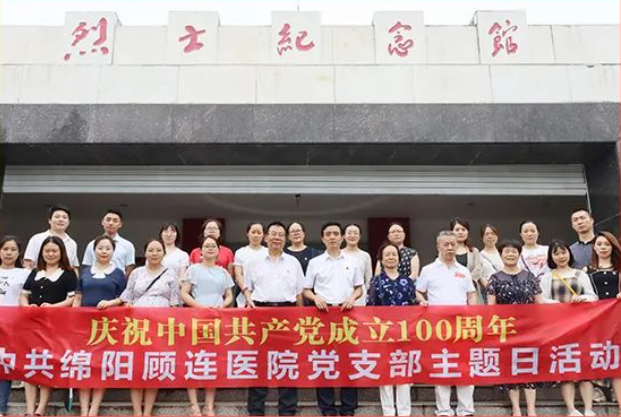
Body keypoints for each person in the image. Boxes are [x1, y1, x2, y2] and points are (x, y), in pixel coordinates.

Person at [243, 221, 305, 416]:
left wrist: (300, 318)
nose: (277, 238)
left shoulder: (293, 262)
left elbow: (299, 293)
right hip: (261, 313)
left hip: (287, 314)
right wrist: (248, 299)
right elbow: (247, 288)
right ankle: (256, 409)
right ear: (266, 237)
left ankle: (287, 409)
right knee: (260, 361)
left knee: (287, 361)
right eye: (273, 234)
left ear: (285, 239)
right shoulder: (253, 262)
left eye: (280, 235)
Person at [303, 222, 363, 417]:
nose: (332, 237)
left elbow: (359, 288)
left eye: (336, 233)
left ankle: (348, 407)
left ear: (342, 237)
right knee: (323, 359)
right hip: (323, 315)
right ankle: (327, 407)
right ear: (322, 238)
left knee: (348, 360)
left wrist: (352, 298)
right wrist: (315, 298)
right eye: (328, 234)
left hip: (347, 315)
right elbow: (306, 289)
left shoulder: (353, 261)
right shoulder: (315, 262)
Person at [416, 231, 477, 417]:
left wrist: (473, 311)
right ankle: (443, 410)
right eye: (446, 244)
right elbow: (419, 291)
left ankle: (466, 409)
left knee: (464, 366)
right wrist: (422, 301)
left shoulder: (463, 270)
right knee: (441, 365)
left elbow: (471, 293)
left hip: (462, 325)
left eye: (453, 244)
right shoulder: (428, 270)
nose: (450, 248)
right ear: (438, 246)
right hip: (438, 326)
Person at [119, 239, 180, 417]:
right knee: (137, 367)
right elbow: (127, 297)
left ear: (164, 253)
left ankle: (147, 411)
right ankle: (137, 411)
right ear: (145, 252)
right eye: (151, 250)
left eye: (158, 250)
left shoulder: (170, 274)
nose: (154, 253)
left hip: (160, 326)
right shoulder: (137, 273)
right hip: (137, 326)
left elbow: (175, 303)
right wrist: (127, 309)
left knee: (154, 366)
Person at [20, 236, 78, 417]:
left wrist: (53, 307)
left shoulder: (68, 273)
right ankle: (29, 409)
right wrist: (26, 306)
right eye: (47, 251)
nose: (50, 254)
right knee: (29, 365)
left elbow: (72, 299)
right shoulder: (35, 272)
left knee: (46, 364)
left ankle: (41, 408)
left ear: (61, 253)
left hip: (55, 326)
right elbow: (24, 294)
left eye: (54, 251)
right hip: (32, 325)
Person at [487, 239, 544, 417]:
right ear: (501, 255)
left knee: (529, 366)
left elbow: (540, 303)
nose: (510, 254)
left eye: (514, 251)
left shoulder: (530, 277)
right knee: (510, 368)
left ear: (519, 254)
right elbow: (491, 307)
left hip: (529, 329)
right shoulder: (495, 279)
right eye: (506, 251)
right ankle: (516, 408)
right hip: (507, 330)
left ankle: (531, 409)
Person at [540, 240, 597, 417]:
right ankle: (571, 408)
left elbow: (593, 296)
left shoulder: (581, 274)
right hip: (559, 328)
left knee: (585, 367)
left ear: (569, 254)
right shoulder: (547, 277)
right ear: (551, 257)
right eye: (556, 253)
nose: (561, 256)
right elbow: (541, 300)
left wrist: (583, 298)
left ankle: (588, 408)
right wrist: (557, 304)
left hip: (581, 327)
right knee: (565, 367)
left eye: (563, 252)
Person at [181, 235, 234, 417]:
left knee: (213, 361)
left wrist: (223, 306)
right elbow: (184, 293)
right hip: (196, 319)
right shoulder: (193, 270)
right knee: (193, 360)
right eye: (206, 246)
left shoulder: (223, 272)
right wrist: (200, 307)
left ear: (219, 251)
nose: (210, 248)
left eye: (213, 246)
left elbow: (229, 295)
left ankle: (209, 405)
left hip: (217, 319)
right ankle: (194, 404)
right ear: (200, 251)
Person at [73, 235, 126, 416]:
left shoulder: (119, 274)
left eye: (108, 248)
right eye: (100, 248)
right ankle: (84, 409)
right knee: (84, 365)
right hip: (84, 326)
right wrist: (73, 318)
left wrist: (110, 303)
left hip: (107, 328)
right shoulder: (85, 272)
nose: (104, 251)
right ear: (94, 250)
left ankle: (94, 409)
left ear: (113, 252)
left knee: (102, 366)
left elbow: (124, 299)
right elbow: (78, 297)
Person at [367, 242, 415, 417]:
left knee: (403, 372)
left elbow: (413, 306)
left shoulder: (407, 281)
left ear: (399, 258)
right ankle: (388, 411)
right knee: (385, 372)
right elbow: (371, 307)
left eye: (394, 254)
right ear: (381, 259)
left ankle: (404, 412)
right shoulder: (376, 281)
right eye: (387, 254)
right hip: (383, 333)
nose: (391, 257)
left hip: (404, 333)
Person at [587, 231, 621, 411]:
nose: (603, 247)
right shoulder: (587, 270)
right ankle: (600, 388)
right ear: (594, 247)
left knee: (617, 353)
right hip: (598, 318)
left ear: (613, 247)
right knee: (599, 351)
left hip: (618, 316)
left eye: (607, 244)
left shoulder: (619, 268)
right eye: (599, 244)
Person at [0, 236, 29, 417]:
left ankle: (1, 407)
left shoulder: (24, 273)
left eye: (13, 250)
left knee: (4, 366)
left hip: (12, 326)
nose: (9, 253)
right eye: (5, 249)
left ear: (19, 253)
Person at [23, 204, 79, 270]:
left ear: (69, 222)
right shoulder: (37, 239)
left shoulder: (72, 243)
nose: (61, 220)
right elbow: (28, 263)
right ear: (49, 220)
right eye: (57, 217)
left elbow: (74, 267)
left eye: (64, 217)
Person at [82, 209, 136, 276]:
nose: (111, 223)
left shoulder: (128, 245)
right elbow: (87, 266)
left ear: (120, 224)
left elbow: (129, 267)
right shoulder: (92, 244)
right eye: (108, 220)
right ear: (102, 222)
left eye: (115, 221)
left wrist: (121, 280)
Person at [450, 218, 487, 302]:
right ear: (452, 232)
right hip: (453, 290)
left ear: (467, 232)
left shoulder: (474, 251)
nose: (460, 232)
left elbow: (478, 269)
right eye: (457, 230)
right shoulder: (448, 251)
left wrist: (466, 279)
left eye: (463, 229)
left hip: (472, 290)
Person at [233, 222, 267, 308]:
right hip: (244, 294)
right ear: (247, 234)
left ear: (264, 235)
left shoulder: (268, 252)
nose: (256, 235)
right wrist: (247, 293)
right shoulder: (240, 252)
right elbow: (238, 275)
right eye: (253, 232)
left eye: (259, 233)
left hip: (264, 295)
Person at [343, 223, 373, 306]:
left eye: (355, 233)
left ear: (360, 236)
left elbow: (369, 278)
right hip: (342, 294)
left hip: (361, 296)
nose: (352, 235)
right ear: (344, 236)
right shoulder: (339, 254)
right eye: (349, 233)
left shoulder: (365, 255)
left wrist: (367, 294)